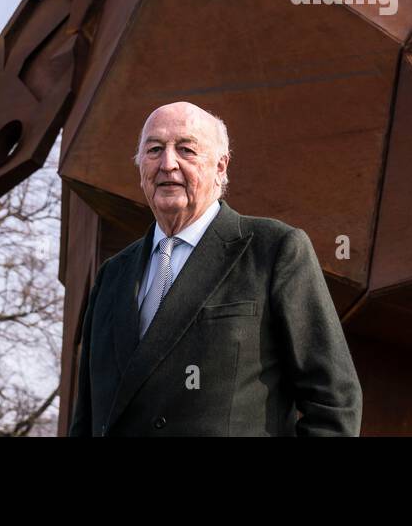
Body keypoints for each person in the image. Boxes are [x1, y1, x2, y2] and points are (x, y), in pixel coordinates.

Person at [68, 101, 362, 436]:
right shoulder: (111, 276)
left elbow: (334, 401)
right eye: (154, 149)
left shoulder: (274, 249)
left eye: (186, 149)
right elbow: (86, 419)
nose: (167, 163)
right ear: (139, 166)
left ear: (220, 166)